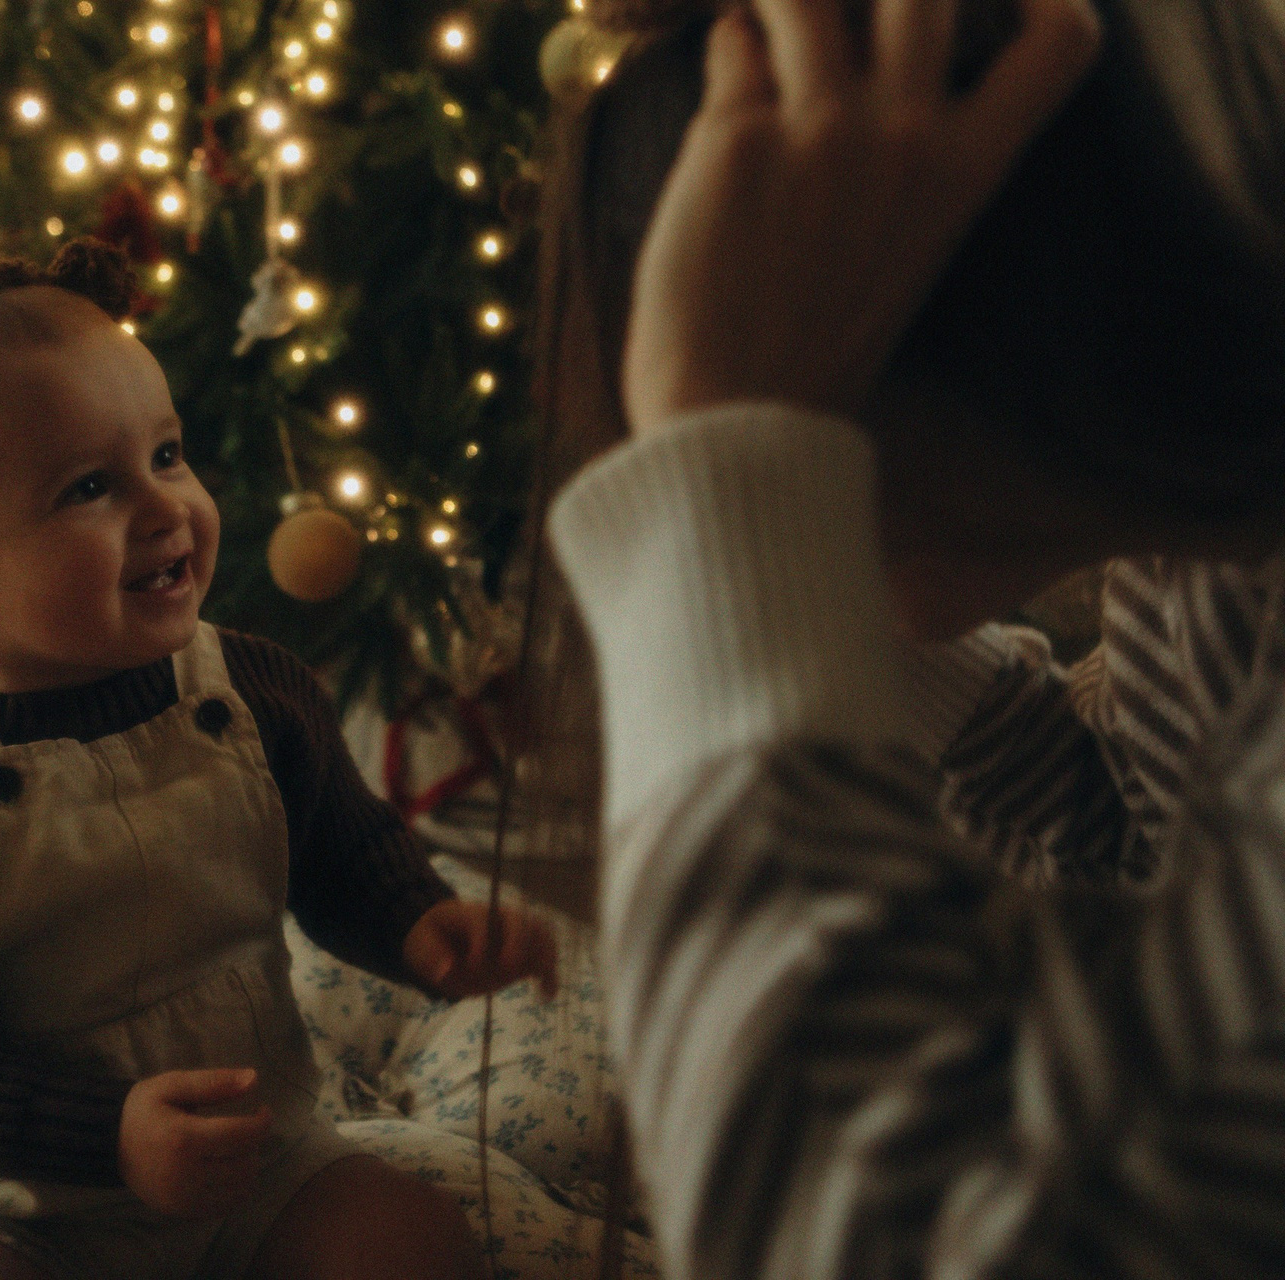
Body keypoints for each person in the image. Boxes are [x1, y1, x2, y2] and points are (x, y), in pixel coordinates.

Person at [532, 0, 1285, 1276]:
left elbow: (892, 1230)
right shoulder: (1206, 554)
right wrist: (826, 611)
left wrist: (732, 474)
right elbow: (1132, 843)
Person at [0, 239, 558, 1280]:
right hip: (24, 1200)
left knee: (410, 1240)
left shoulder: (254, 689)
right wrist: (107, 1133)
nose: (165, 510)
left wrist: (421, 921)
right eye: (88, 487)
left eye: (166, 454)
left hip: (260, 1161)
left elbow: (345, 849)